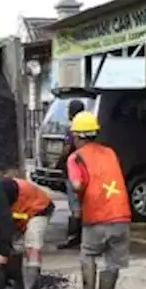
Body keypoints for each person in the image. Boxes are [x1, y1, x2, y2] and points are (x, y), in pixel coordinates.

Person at [66, 111, 131, 289]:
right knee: (113, 262)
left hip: (96, 215)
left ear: (77, 136)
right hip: (121, 214)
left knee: (88, 254)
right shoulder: (110, 152)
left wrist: (77, 192)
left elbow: (77, 184)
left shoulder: (76, 158)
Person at [56, 97, 88, 251]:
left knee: (75, 205)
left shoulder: (73, 129)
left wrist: (59, 163)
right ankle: (84, 236)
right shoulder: (88, 128)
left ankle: (74, 238)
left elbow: (66, 149)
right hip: (87, 170)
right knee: (84, 203)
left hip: (73, 171)